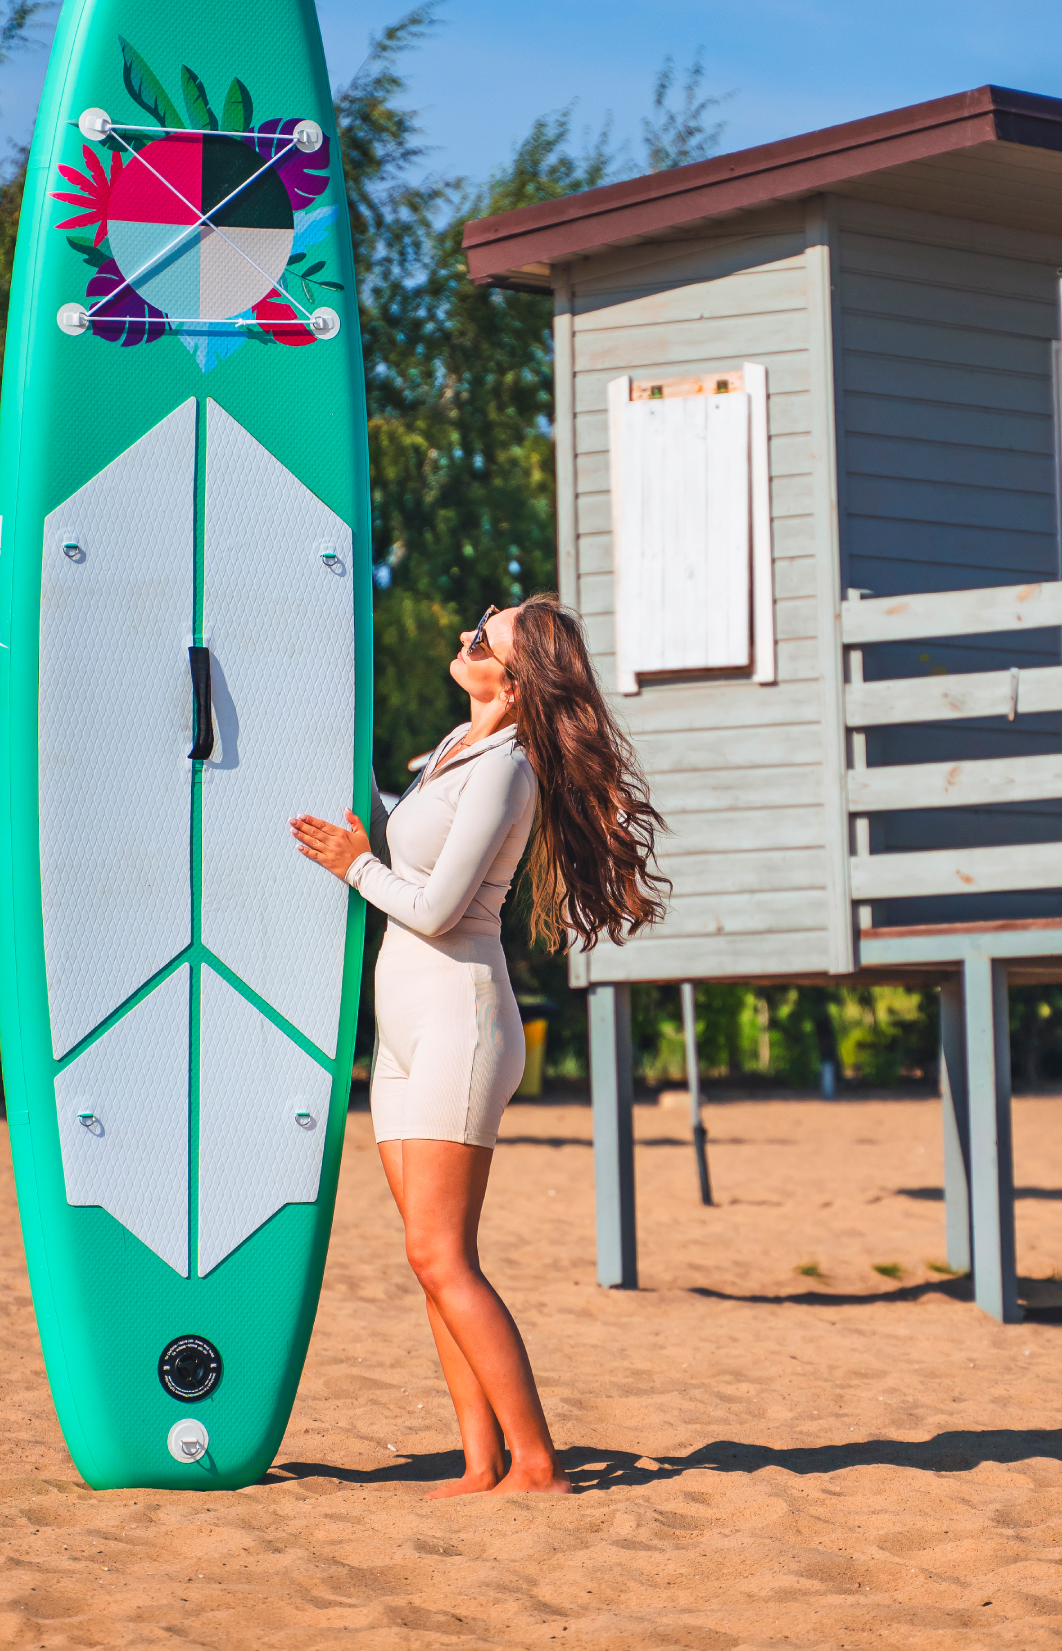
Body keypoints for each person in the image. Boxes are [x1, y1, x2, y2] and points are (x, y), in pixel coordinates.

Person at [290, 595, 666, 1498]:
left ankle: (535, 1462)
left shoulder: (508, 768)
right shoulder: (457, 752)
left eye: (480, 639)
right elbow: (397, 841)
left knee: (443, 1256)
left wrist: (353, 866)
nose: (465, 642)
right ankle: (480, 1461)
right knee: (430, 1262)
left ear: (514, 674)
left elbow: (435, 907)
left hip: (463, 1019)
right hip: (407, 1030)